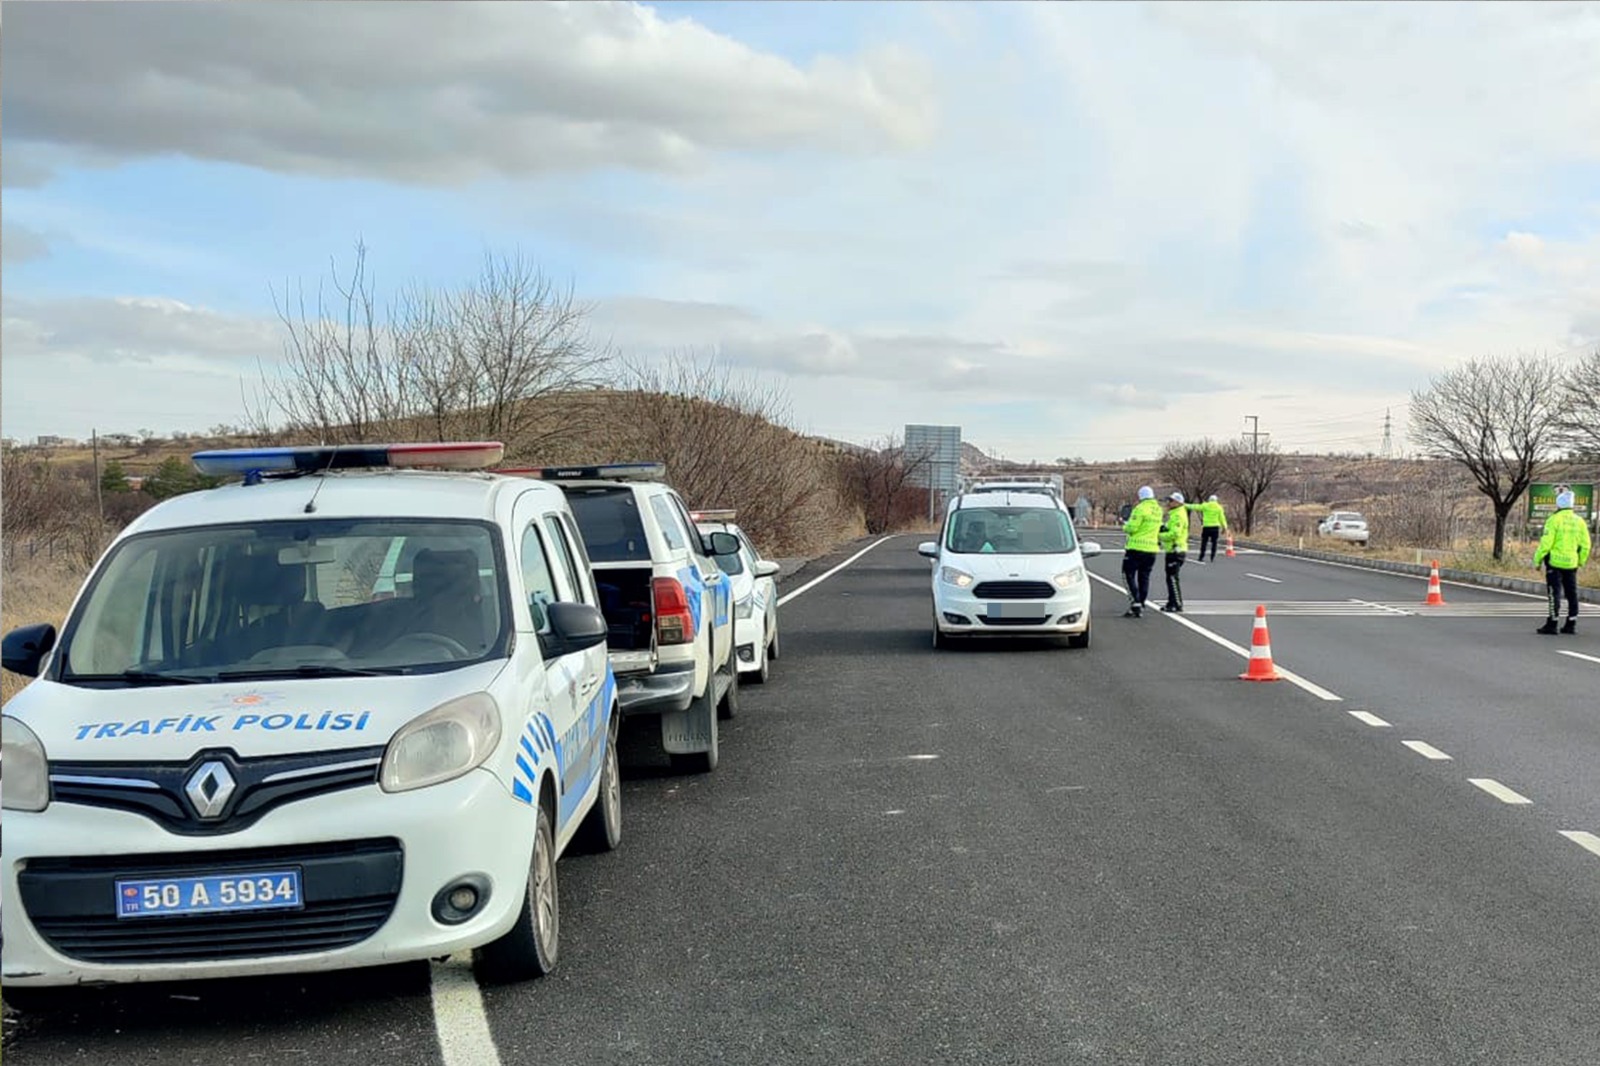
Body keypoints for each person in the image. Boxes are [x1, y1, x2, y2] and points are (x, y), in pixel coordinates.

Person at [1534, 490, 1590, 635]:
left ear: (1558, 505)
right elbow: (1586, 545)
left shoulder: (1553, 520)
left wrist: (1537, 560)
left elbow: (1546, 543)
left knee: (1554, 593)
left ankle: (1552, 624)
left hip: (1554, 562)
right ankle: (1571, 623)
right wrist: (1581, 561)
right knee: (1572, 593)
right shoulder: (1579, 521)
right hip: (1571, 563)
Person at [1121, 486, 1162, 617]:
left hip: (1136, 548)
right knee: (1144, 577)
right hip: (1151, 549)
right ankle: (1142, 603)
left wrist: (1125, 525)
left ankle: (1136, 602)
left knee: (1128, 575)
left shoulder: (1140, 509)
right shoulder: (1158, 510)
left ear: (1140, 496)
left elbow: (1132, 528)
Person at [1159, 491, 1189, 612]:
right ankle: (1171, 602)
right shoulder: (1173, 514)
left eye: (1171, 501)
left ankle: (1177, 603)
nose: (1168, 503)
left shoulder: (1179, 515)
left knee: (1172, 578)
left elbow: (1175, 533)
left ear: (1177, 503)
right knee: (1169, 578)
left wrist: (1160, 536)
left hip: (1176, 550)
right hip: (1171, 550)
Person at [1189, 493, 1229, 563]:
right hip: (1215, 527)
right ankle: (1212, 556)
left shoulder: (1206, 505)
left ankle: (1201, 556)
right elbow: (1222, 518)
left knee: (1204, 543)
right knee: (1214, 543)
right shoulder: (1219, 507)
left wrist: (1184, 505)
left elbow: (1196, 506)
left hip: (1206, 527)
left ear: (1209, 500)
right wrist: (1224, 527)